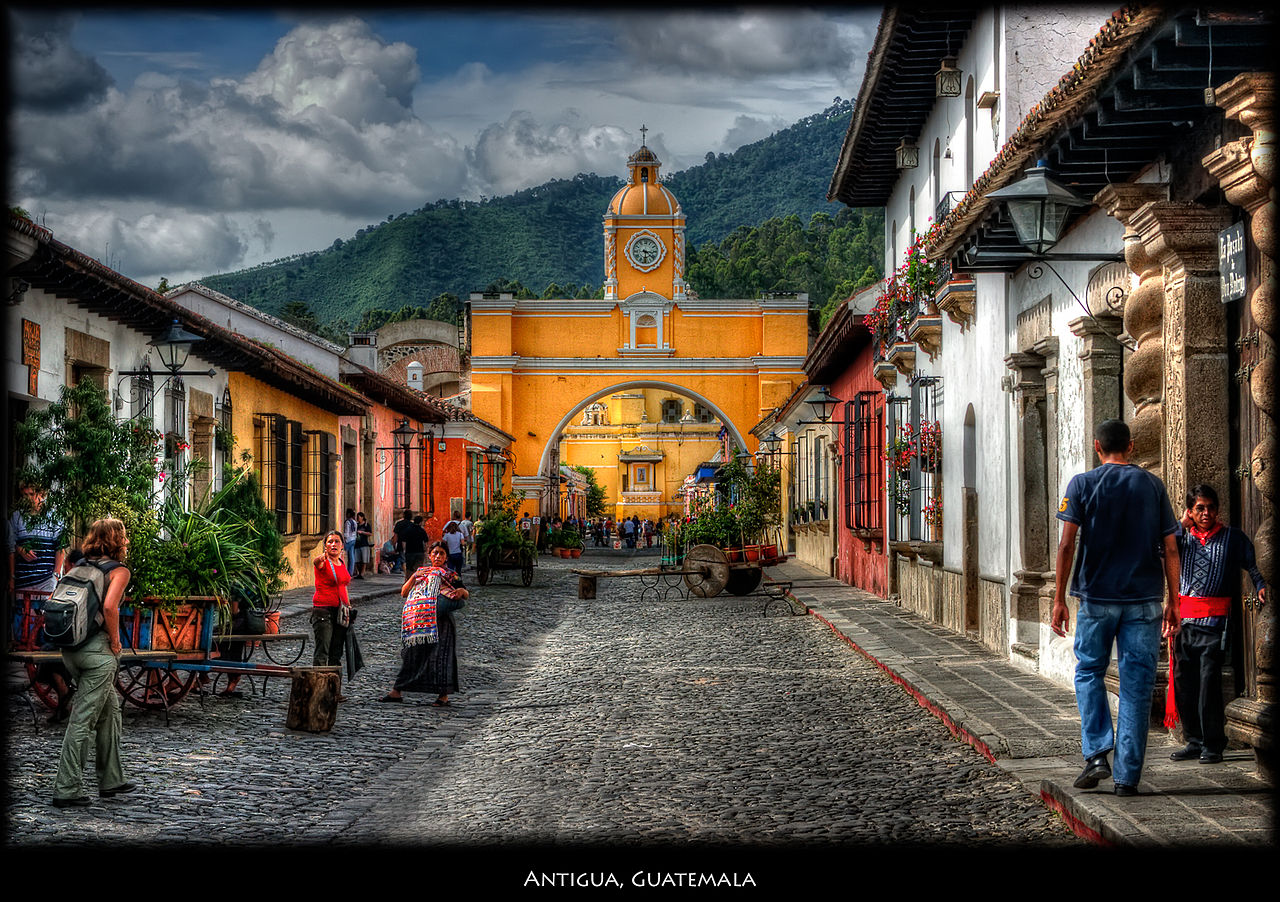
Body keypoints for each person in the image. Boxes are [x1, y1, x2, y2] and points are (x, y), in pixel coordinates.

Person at [1052, 418, 1180, 797]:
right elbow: (1170, 548)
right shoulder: (1153, 486)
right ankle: (1127, 778)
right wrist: (1174, 599)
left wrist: (1059, 597)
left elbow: (1066, 546)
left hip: (1095, 598)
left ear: (1096, 446)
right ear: (1132, 446)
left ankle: (1095, 754)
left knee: (1089, 671)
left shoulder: (1082, 485)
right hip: (1144, 600)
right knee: (1137, 686)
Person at [1168, 483, 1266, 765]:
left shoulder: (1232, 537)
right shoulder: (1182, 539)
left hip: (1215, 624)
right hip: (1185, 623)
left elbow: (1254, 563)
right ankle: (1193, 741)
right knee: (1184, 682)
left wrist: (1260, 585)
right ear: (1190, 511)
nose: (1206, 513)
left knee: (1209, 683)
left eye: (1211, 507)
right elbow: (1154, 546)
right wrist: (1181, 525)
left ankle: (1213, 744)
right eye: (1199, 508)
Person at [51, 517, 135, 807]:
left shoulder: (81, 566)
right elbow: (110, 607)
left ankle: (111, 779)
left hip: (70, 649)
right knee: (82, 721)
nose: (126, 540)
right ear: (116, 540)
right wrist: (115, 642)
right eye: (123, 536)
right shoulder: (118, 571)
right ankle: (67, 788)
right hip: (98, 654)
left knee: (110, 711)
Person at [8, 481, 72, 720]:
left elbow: (61, 547)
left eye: (34, 494)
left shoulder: (55, 515)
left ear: (43, 495)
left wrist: (57, 575)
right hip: (25, 577)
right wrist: (15, 567)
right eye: (26, 494)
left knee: (43, 621)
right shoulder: (17, 517)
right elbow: (10, 546)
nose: (30, 499)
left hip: (46, 578)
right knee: (24, 621)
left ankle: (46, 658)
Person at [380, 541, 468, 706]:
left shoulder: (451, 575)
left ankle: (443, 697)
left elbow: (465, 594)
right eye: (435, 553)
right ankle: (396, 691)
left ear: (446, 557)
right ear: (430, 555)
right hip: (419, 623)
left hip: (442, 624)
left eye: (441, 553)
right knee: (411, 654)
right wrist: (413, 577)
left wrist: (461, 592)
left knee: (441, 657)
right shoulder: (421, 573)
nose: (438, 556)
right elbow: (404, 592)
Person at [311, 530, 351, 673]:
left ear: (342, 546)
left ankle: (334, 689)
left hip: (340, 612)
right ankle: (319, 689)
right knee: (323, 651)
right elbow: (316, 563)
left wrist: (348, 606)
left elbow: (343, 585)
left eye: (337, 541)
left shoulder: (341, 562)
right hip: (323, 611)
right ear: (325, 546)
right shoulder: (323, 562)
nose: (333, 544)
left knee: (336, 652)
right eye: (330, 541)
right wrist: (321, 558)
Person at [353, 511, 373, 579]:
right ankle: (358, 573)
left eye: (359, 517)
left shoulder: (366, 525)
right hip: (357, 544)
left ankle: (362, 573)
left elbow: (370, 533)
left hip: (364, 544)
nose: (358, 519)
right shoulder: (356, 525)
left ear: (362, 517)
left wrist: (362, 532)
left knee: (364, 559)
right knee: (357, 559)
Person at [342, 509, 358, 574]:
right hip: (353, 539)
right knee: (351, 556)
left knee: (343, 553)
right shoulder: (354, 522)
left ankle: (344, 570)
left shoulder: (347, 522)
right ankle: (350, 572)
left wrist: (345, 540)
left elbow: (346, 533)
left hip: (348, 540)